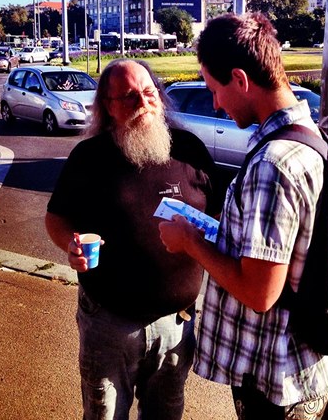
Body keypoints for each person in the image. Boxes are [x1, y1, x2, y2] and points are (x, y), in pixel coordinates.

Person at [158, 12, 328, 420]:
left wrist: (190, 242)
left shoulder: (273, 164)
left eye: (214, 89)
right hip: (295, 368)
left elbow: (260, 293)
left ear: (240, 79)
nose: (216, 104)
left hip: (276, 383)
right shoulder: (310, 140)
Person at [45, 58, 220, 420]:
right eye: (128, 97)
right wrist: (70, 245)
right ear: (108, 106)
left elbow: (217, 217)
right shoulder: (89, 158)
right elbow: (56, 217)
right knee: (105, 414)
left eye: (148, 92)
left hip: (177, 323)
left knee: (165, 414)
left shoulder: (188, 149)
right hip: (109, 323)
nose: (142, 104)